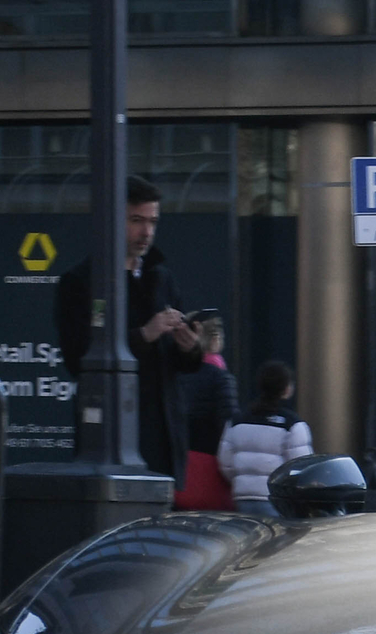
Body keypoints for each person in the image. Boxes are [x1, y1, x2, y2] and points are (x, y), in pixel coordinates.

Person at [51, 176, 203, 481]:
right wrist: (145, 334)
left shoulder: (161, 277)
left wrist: (190, 347)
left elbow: (181, 364)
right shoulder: (82, 283)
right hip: (114, 436)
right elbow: (78, 358)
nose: (146, 232)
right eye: (136, 220)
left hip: (163, 435)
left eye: (153, 222)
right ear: (112, 219)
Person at [218, 362, 313, 517]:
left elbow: (226, 462)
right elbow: (301, 467)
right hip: (277, 500)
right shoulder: (292, 425)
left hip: (242, 498)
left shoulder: (237, 421)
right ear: (287, 389)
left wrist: (243, 480)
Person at [173, 315, 238, 510]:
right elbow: (228, 426)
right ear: (216, 340)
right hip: (211, 473)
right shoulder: (220, 378)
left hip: (177, 470)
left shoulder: (175, 374)